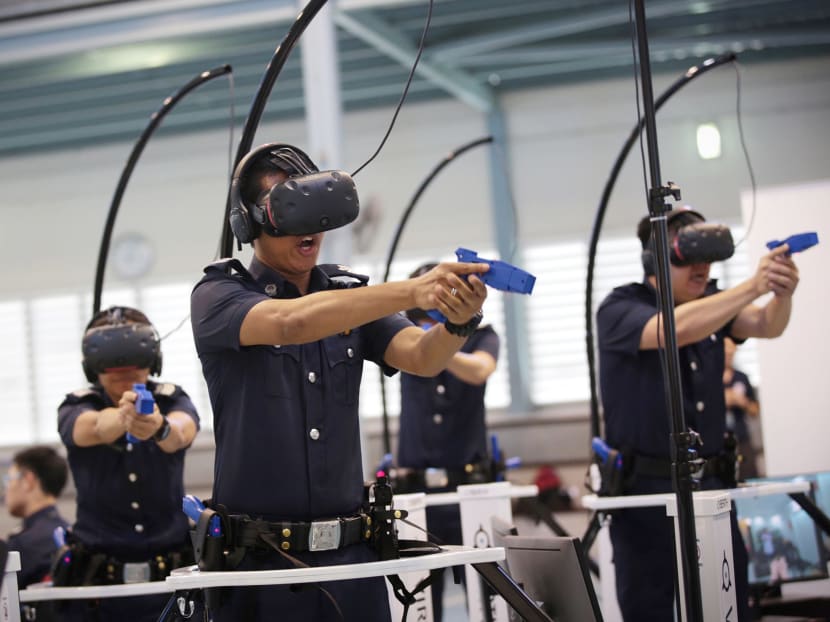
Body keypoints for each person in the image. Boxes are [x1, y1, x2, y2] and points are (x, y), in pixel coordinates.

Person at [190, 142, 489, 622]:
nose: (307, 229)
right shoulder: (219, 296)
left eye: (315, 210)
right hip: (261, 569)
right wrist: (413, 289)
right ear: (248, 224)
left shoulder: (351, 294)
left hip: (351, 563)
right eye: (288, 212)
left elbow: (421, 356)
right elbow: (291, 324)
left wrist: (457, 323)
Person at [596, 207, 800, 621]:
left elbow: (766, 324)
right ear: (655, 258)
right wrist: (752, 285)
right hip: (646, 494)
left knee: (728, 605)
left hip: (710, 485)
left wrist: (781, 292)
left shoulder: (713, 305)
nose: (702, 268)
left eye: (708, 258)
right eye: (690, 256)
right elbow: (673, 329)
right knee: (650, 610)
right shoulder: (619, 308)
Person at [56, 305, 200, 621]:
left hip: (172, 584)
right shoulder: (77, 405)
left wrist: (159, 426)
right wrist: (124, 417)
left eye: (134, 359)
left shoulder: (172, 399)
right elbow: (90, 427)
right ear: (93, 366)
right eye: (111, 362)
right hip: (98, 592)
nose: (123, 369)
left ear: (154, 359)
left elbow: (181, 430)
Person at [395, 262, 500, 622]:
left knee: (488, 596)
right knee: (419, 599)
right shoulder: (403, 337)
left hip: (469, 486)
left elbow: (481, 369)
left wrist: (440, 343)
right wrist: (420, 339)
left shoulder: (482, 335)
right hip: (417, 490)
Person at [4, 446, 70, 587]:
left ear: (28, 481)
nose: (7, 489)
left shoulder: (24, 544)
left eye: (9, 480)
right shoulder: (69, 533)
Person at [723, 336, 762, 480]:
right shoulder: (709, 381)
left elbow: (755, 410)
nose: (728, 354)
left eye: (731, 350)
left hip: (741, 437)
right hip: (718, 441)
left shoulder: (742, 378)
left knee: (749, 475)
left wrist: (742, 402)